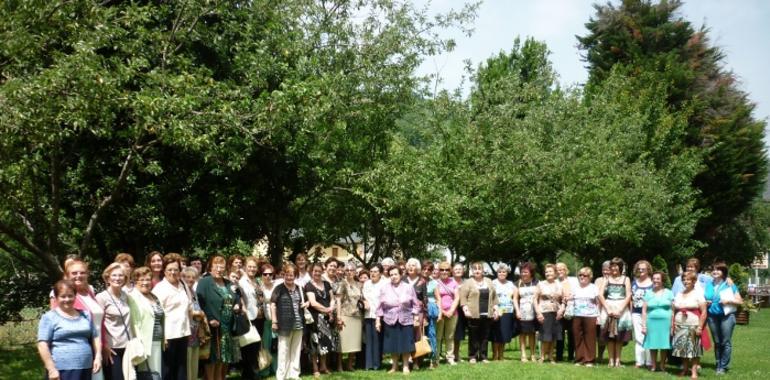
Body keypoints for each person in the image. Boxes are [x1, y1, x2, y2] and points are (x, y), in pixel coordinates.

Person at [38, 280, 102, 380]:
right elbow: (42, 345)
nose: (67, 299)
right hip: (61, 370)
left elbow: (95, 336)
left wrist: (98, 357)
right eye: (63, 296)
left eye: (70, 295)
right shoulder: (49, 317)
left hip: (86, 367)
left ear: (75, 296)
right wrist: (51, 369)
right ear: (56, 298)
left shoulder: (86, 315)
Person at [55, 259, 104, 380]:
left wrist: (104, 346)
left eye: (82, 272)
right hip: (79, 349)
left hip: (97, 345)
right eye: (74, 273)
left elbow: (99, 321)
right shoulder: (65, 296)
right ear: (67, 275)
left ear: (87, 274)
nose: (78, 276)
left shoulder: (90, 292)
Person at [196, 255, 238, 380]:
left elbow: (236, 297)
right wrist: (209, 318)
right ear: (211, 267)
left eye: (222, 267)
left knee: (224, 356)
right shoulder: (205, 282)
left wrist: (237, 304)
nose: (219, 269)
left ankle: (220, 377)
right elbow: (200, 301)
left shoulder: (228, 283)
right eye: (216, 266)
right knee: (213, 356)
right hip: (213, 325)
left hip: (227, 325)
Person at [152, 253, 191, 380]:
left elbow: (188, 307)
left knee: (181, 369)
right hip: (168, 336)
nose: (173, 272)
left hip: (183, 333)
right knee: (168, 371)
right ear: (164, 271)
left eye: (176, 269)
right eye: (170, 269)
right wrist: (162, 336)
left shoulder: (182, 285)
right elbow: (156, 314)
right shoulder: (159, 288)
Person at [376, 266, 420, 374]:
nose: (393, 276)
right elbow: (379, 306)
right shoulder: (384, 288)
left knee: (405, 344)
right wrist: (378, 320)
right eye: (391, 275)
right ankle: (394, 366)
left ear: (400, 275)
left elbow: (416, 304)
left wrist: (416, 317)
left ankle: (405, 366)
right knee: (392, 344)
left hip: (405, 319)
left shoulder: (408, 287)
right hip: (389, 319)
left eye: (396, 274)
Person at [270, 263, 308, 380]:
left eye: (292, 275)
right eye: (287, 275)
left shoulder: (300, 288)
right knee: (283, 351)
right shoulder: (279, 288)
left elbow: (306, 302)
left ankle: (294, 374)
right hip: (284, 324)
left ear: (295, 276)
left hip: (298, 323)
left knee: (296, 350)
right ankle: (281, 376)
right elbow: (272, 305)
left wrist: (307, 303)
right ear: (284, 275)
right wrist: (274, 322)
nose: (289, 277)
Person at [704, 263, 742, 375]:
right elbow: (705, 297)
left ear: (723, 272)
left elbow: (739, 301)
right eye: (713, 269)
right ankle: (718, 363)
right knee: (717, 341)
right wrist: (706, 302)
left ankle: (723, 366)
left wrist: (729, 301)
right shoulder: (708, 284)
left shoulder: (729, 284)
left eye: (718, 270)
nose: (715, 271)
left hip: (727, 316)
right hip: (712, 316)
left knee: (725, 341)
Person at [95, 263, 132, 380]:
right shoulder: (101, 297)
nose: (117, 278)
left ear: (125, 278)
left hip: (128, 346)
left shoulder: (125, 295)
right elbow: (97, 324)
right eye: (114, 275)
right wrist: (104, 345)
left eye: (121, 275)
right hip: (112, 349)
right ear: (108, 278)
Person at [127, 266, 165, 379]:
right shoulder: (132, 297)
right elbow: (134, 322)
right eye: (141, 279)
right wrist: (139, 342)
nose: (145, 282)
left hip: (157, 341)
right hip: (145, 343)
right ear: (135, 281)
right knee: (147, 375)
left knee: (156, 373)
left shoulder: (154, 296)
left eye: (148, 279)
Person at [460, 261, 499, 364]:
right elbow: (463, 297)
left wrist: (496, 309)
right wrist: (465, 309)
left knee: (485, 336)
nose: (477, 271)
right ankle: (472, 356)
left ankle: (483, 356)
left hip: (487, 313)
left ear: (483, 271)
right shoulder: (468, 282)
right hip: (473, 314)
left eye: (479, 269)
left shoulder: (489, 281)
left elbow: (494, 297)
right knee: (473, 336)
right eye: (475, 269)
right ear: (472, 271)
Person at [672, 271, 708, 379]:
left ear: (693, 281)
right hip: (679, 325)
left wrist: (700, 327)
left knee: (694, 350)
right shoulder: (679, 293)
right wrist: (672, 324)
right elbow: (673, 310)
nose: (685, 281)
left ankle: (694, 372)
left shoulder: (698, 294)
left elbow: (704, 312)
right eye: (684, 279)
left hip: (693, 325)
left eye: (688, 279)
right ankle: (684, 369)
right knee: (682, 349)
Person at [598, 257, 632, 368]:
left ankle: (618, 360)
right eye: (612, 266)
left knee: (619, 337)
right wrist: (607, 308)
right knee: (609, 336)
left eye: (616, 266)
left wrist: (621, 309)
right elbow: (600, 295)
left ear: (620, 267)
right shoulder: (606, 279)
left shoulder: (626, 279)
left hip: (621, 308)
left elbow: (628, 295)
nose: (613, 268)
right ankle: (610, 360)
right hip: (609, 307)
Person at [305, 262, 337, 376]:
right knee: (315, 343)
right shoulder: (308, 285)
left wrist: (331, 308)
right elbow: (313, 303)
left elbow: (332, 298)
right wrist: (327, 310)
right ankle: (315, 368)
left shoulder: (327, 284)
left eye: (319, 271)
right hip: (316, 319)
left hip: (327, 317)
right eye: (315, 271)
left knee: (326, 342)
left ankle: (323, 366)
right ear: (311, 272)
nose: (317, 273)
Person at [641, 271, 674, 372]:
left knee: (664, 345)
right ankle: (654, 365)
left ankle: (663, 365)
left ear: (662, 280)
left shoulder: (669, 292)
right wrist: (644, 325)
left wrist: (672, 325)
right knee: (653, 344)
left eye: (658, 279)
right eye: (654, 279)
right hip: (651, 322)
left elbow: (673, 310)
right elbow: (644, 310)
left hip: (665, 322)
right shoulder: (648, 293)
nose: (655, 281)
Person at [238, 257, 265, 380]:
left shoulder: (258, 281)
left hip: (260, 317)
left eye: (254, 267)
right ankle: (248, 375)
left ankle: (254, 374)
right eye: (249, 266)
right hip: (248, 318)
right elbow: (239, 298)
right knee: (248, 348)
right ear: (245, 267)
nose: (252, 269)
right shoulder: (241, 282)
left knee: (256, 347)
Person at [336, 261, 364, 371]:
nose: (349, 272)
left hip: (357, 315)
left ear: (355, 272)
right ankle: (339, 366)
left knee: (354, 342)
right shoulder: (342, 283)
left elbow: (360, 299)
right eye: (346, 270)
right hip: (344, 314)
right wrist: (338, 316)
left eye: (351, 270)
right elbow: (338, 300)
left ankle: (350, 365)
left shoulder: (359, 284)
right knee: (342, 343)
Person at [534, 264, 564, 364]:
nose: (548, 273)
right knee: (545, 337)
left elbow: (564, 299)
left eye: (550, 271)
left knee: (554, 336)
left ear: (555, 273)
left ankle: (551, 357)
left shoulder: (560, 284)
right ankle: (542, 357)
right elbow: (535, 299)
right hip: (544, 312)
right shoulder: (541, 284)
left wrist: (562, 309)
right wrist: (538, 313)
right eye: (546, 272)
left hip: (557, 313)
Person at [571, 267, 600, 366]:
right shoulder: (575, 287)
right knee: (577, 337)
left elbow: (598, 302)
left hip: (591, 316)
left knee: (590, 338)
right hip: (577, 315)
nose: (582, 277)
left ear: (590, 277)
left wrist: (598, 316)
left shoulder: (593, 287)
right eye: (580, 275)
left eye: (585, 275)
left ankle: (589, 360)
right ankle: (579, 359)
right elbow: (570, 299)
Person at [181, 266, 206, 380]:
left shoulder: (193, 292)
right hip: (186, 331)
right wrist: (198, 314)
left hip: (195, 331)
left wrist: (201, 328)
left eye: (193, 277)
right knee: (186, 361)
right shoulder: (181, 292)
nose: (190, 279)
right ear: (182, 277)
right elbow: (184, 311)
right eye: (187, 277)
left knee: (194, 361)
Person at [404, 258, 428, 370]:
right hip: (404, 312)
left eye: (413, 265)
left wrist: (425, 316)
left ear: (417, 268)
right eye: (409, 265)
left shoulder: (422, 281)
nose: (411, 267)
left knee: (417, 337)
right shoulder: (403, 279)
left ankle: (416, 362)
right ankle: (405, 360)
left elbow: (425, 298)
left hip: (418, 313)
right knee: (406, 336)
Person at [435, 261, 459, 366]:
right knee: (438, 336)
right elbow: (436, 299)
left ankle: (450, 358)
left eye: (447, 270)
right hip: (439, 313)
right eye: (442, 269)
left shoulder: (454, 283)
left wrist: (451, 311)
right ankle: (436, 358)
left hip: (452, 313)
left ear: (450, 271)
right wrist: (443, 311)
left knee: (450, 336)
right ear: (439, 271)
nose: (444, 272)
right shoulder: (435, 283)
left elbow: (457, 298)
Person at [513, 262, 538, 362]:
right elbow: (515, 299)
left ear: (531, 272)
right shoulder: (517, 283)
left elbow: (538, 297)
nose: (523, 274)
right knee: (522, 334)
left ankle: (532, 355)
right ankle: (523, 355)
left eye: (526, 272)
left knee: (532, 334)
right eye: (522, 272)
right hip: (522, 312)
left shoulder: (536, 282)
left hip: (533, 311)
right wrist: (517, 311)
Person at [490, 263, 516, 361]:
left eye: (504, 272)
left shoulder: (511, 284)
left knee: (504, 334)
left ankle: (501, 355)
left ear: (507, 273)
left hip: (508, 311)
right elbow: (490, 298)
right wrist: (494, 310)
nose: (502, 273)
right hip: (496, 311)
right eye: (500, 272)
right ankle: (495, 355)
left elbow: (514, 296)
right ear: (497, 273)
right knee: (496, 334)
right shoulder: (493, 283)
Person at [631, 260, 653, 369]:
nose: (641, 270)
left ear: (648, 270)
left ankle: (649, 362)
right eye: (639, 269)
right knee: (638, 337)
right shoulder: (634, 282)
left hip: (649, 313)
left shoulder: (653, 283)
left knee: (649, 336)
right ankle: (639, 362)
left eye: (643, 269)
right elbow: (631, 298)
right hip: (636, 312)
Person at [362, 263, 385, 370]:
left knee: (377, 340)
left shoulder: (385, 283)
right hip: (368, 314)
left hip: (379, 315)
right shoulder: (366, 283)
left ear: (380, 273)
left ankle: (376, 364)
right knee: (368, 340)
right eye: (371, 271)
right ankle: (368, 364)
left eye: (375, 271)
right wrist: (364, 301)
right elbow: (363, 295)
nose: (373, 273)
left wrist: (378, 318)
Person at [257, 263, 278, 377]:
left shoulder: (277, 285)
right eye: (265, 274)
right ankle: (265, 370)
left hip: (276, 320)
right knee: (265, 346)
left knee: (275, 346)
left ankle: (275, 369)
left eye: (270, 274)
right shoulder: (259, 287)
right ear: (261, 275)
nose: (268, 276)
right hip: (264, 321)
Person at [555, 262, 577, 362]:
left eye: (562, 269)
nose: (560, 271)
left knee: (572, 333)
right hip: (558, 310)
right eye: (558, 270)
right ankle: (559, 356)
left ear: (566, 270)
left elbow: (576, 292)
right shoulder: (555, 282)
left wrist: (568, 297)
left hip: (571, 309)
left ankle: (571, 356)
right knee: (560, 333)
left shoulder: (574, 280)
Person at [422, 260, 440, 368]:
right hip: (419, 310)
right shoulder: (417, 281)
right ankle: (418, 359)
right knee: (419, 335)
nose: (426, 271)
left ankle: (433, 360)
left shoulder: (434, 283)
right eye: (424, 269)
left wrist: (440, 312)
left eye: (429, 269)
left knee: (432, 334)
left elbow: (438, 298)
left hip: (431, 308)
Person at [594, 260, 611, 362]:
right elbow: (597, 294)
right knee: (601, 334)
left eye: (608, 270)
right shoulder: (598, 280)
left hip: (612, 309)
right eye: (604, 270)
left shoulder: (616, 280)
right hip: (599, 309)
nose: (606, 272)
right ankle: (600, 356)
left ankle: (612, 357)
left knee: (611, 334)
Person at [451, 262, 467, 362]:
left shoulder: (467, 282)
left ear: (463, 271)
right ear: (452, 271)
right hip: (450, 309)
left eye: (459, 269)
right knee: (449, 333)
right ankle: (449, 354)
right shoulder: (448, 281)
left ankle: (456, 354)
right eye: (456, 269)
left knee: (458, 333)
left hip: (462, 310)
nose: (457, 271)